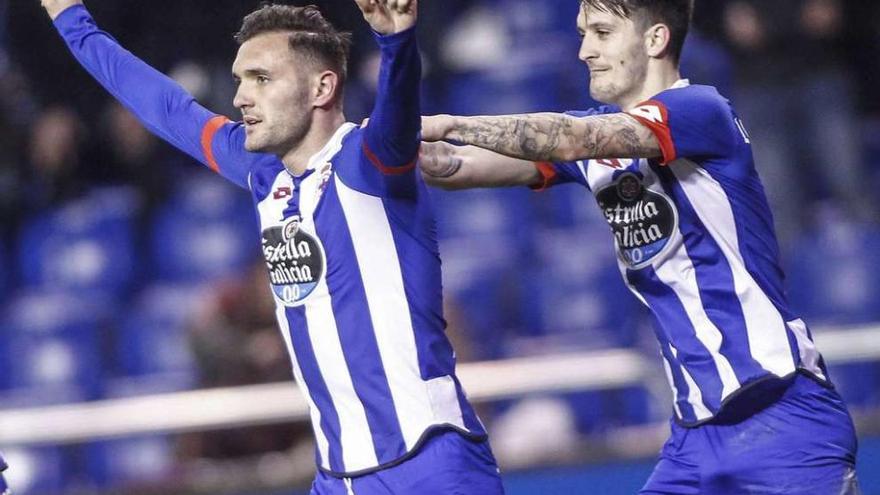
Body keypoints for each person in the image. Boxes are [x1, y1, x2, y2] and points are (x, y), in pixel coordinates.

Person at [39, 0, 505, 493]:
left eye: (262, 79)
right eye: (240, 80)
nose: (241, 97)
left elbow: (398, 108)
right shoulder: (262, 171)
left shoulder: (368, 162)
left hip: (429, 464)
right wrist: (71, 16)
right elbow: (161, 103)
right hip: (337, 476)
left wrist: (396, 41)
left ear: (322, 87)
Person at [418, 0, 860, 493]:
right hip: (694, 435)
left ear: (655, 40)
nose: (585, 50)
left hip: (783, 413)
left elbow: (570, 139)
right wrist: (393, 144)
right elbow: (456, 169)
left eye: (602, 33)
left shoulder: (700, 110)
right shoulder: (597, 147)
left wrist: (448, 122)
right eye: (584, 34)